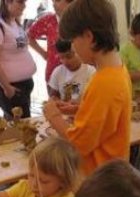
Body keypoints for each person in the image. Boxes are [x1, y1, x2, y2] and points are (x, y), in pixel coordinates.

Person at [42, 0, 131, 175]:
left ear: (89, 37)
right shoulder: (116, 69)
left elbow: (78, 144)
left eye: (73, 40)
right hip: (111, 174)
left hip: (99, 180)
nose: (73, 46)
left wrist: (54, 117)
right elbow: (106, 117)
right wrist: (79, 109)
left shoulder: (104, 82)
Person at [0, 0, 36, 120]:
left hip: (22, 85)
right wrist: (7, 87)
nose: (24, 6)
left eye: (25, 2)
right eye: (20, 2)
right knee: (18, 126)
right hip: (9, 87)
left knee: (23, 124)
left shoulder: (14, 22)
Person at [27, 0, 74, 88]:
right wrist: (43, 54)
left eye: (58, 1)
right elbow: (29, 36)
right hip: (53, 74)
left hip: (77, 74)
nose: (53, 4)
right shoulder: (48, 20)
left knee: (74, 100)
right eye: (53, 1)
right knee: (54, 100)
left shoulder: (80, 20)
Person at [48, 38, 95, 115]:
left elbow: (94, 103)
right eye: (61, 58)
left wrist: (77, 108)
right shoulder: (58, 71)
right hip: (64, 116)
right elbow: (53, 96)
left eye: (69, 56)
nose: (65, 61)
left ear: (78, 51)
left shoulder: (90, 72)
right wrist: (55, 101)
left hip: (84, 115)